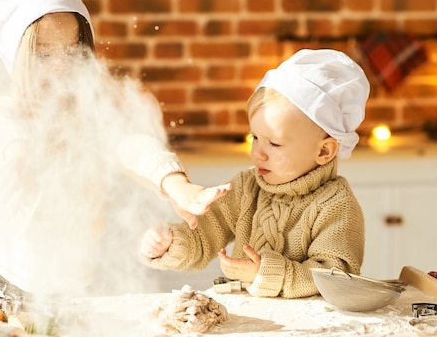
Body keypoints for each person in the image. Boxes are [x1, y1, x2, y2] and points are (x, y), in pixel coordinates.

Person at [0, 0, 230, 300]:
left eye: (72, 51)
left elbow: (130, 146)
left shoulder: (86, 112)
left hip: (78, 282)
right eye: (43, 54)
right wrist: (21, 165)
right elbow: (11, 147)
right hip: (10, 285)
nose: (60, 65)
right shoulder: (4, 112)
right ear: (14, 58)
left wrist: (178, 187)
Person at [140, 48, 370, 299]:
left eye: (274, 143)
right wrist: (171, 243)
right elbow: (205, 234)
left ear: (324, 151)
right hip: (248, 316)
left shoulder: (337, 205)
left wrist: (265, 273)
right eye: (255, 138)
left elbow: (335, 277)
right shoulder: (246, 186)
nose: (258, 153)